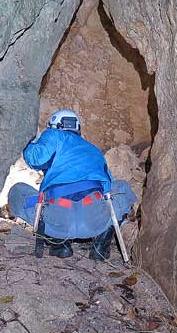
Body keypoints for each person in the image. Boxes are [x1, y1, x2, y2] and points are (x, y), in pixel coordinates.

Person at [8, 109, 136, 260]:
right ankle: (100, 247)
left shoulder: (54, 135)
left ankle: (60, 245)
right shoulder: (93, 150)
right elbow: (108, 188)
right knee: (122, 188)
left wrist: (29, 143)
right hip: (94, 222)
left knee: (17, 190)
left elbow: (37, 159)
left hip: (58, 222)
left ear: (53, 126)